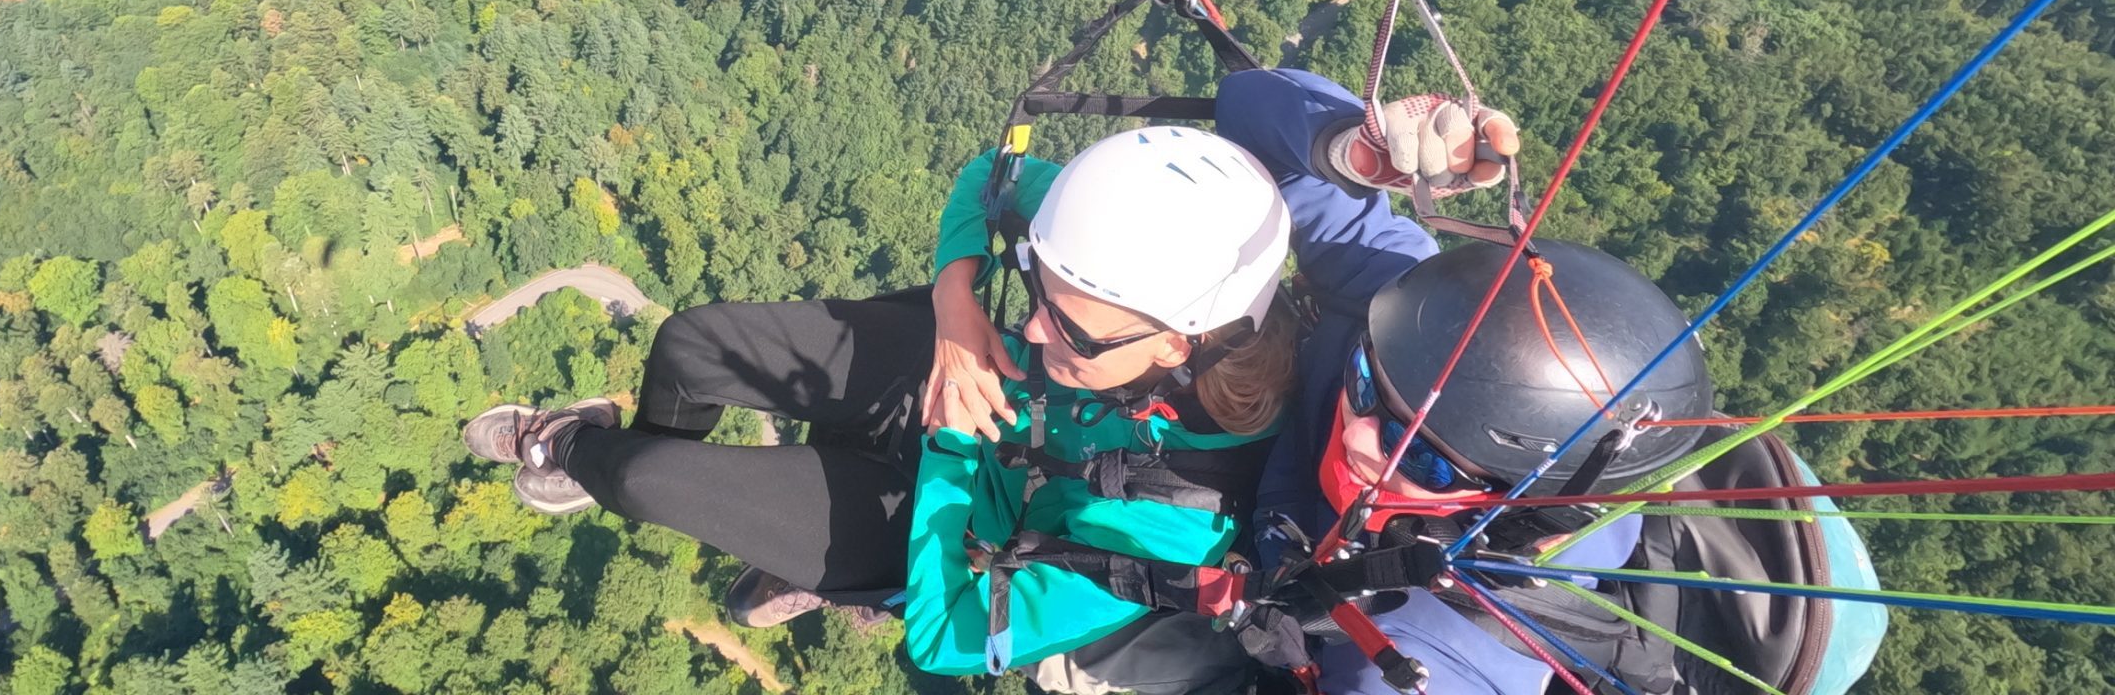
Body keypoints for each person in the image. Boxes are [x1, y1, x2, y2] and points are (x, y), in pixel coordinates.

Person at [460, 69, 1517, 687]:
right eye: (1041, 289)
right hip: (965, 378)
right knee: (693, 343)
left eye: (1076, 329)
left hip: (962, 509)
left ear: (1180, 341)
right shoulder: (1141, 254)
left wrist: (958, 437)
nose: (1046, 327)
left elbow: (954, 633)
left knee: (644, 478)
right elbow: (992, 182)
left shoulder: (1176, 521)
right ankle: (701, 465)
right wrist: (964, 313)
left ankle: (585, 451)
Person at [1273, 240, 1885, 695]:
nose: (1357, 433)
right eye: (1364, 379)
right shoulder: (1419, 330)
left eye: (1427, 459)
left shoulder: (1420, 658)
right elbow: (1260, 107)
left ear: (1534, 516)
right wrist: (1348, 147)